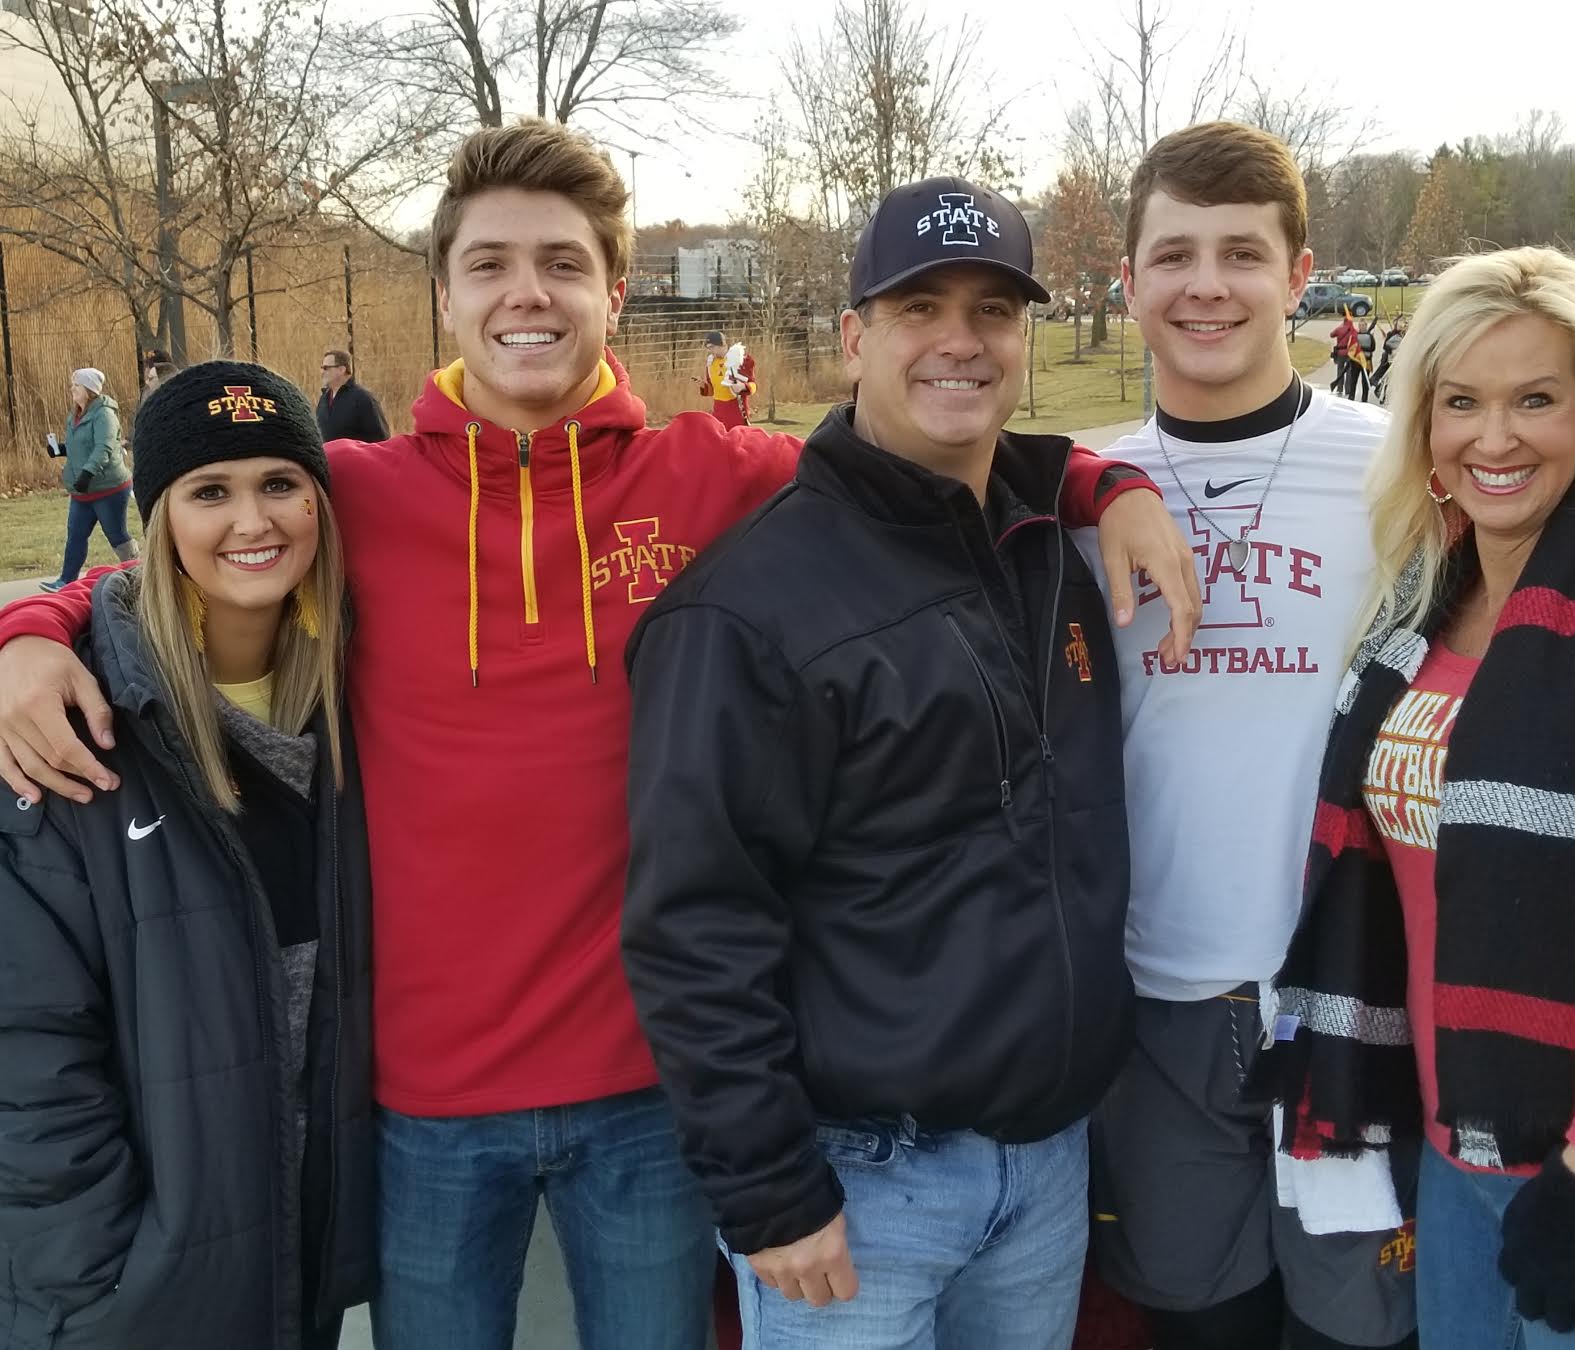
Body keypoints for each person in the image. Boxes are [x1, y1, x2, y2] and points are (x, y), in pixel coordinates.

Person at [0, 119, 1197, 1350]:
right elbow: (186, 564)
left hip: (648, 1097)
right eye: (492, 264)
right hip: (426, 1099)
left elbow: (930, 451)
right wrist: (32, 628)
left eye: (564, 264)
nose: (530, 294)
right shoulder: (358, 494)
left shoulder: (720, 476)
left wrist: (1105, 485)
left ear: (613, 292)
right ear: (446, 295)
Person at [624, 174, 1160, 1349]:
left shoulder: (1044, 547)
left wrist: (1108, 483)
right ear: (857, 337)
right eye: (920, 308)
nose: (959, 342)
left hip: (1047, 1162)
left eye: (992, 311)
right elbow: (694, 923)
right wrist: (769, 1188)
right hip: (860, 1185)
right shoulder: (747, 608)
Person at [1257, 247, 1575, 1348]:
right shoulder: (1422, 607)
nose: (1494, 438)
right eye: (1460, 402)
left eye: (1535, 399)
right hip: (1452, 1143)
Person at [1080, 121, 1417, 1350]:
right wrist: (1090, 485)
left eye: (1240, 253)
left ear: (1299, 272)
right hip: (1157, 996)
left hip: (1349, 993)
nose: (1205, 284)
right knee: (1197, 1327)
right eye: (1172, 255)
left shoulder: (1395, 471)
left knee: (1358, 1332)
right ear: (1128, 284)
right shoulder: (1080, 487)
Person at [0, 360, 374, 1349]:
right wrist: (96, 1283)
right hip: (144, 1287)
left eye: (279, 484)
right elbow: (30, 1054)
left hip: (303, 1252)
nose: (253, 521)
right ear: (161, 515)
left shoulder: (360, 693)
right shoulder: (70, 722)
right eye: (210, 492)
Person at [41, 367, 138, 593]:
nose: (72, 389)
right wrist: (61, 449)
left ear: (89, 390)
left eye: (76, 385)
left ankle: (138, 571)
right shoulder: (75, 414)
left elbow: (103, 447)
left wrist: (88, 473)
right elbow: (80, 446)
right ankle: (66, 581)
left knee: (117, 535)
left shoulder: (104, 414)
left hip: (109, 488)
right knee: (75, 535)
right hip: (82, 491)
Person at [315, 350, 391, 443]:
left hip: (354, 457)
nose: (322, 372)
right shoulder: (324, 399)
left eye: (326, 368)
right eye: (322, 368)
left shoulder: (363, 398)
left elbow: (380, 439)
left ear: (341, 369)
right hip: (327, 457)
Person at [697, 329, 756, 428]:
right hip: (718, 412)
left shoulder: (740, 360)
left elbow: (753, 385)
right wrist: (703, 386)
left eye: (712, 347)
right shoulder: (711, 363)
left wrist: (743, 386)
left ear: (723, 345)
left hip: (736, 412)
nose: (710, 351)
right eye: (708, 348)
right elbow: (713, 391)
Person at [1371, 317, 1404, 403]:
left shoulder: (1404, 335)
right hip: (1390, 360)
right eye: (1398, 325)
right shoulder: (1391, 334)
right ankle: (1382, 395)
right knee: (1387, 378)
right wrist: (1392, 351)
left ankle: (1391, 397)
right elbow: (1385, 346)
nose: (1400, 327)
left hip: (1399, 360)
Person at [1330, 310, 1359, 394]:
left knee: (1340, 370)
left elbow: (1331, 334)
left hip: (1340, 353)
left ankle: (1339, 388)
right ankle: (1348, 389)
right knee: (1349, 371)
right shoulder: (1354, 330)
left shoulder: (1339, 329)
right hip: (1349, 353)